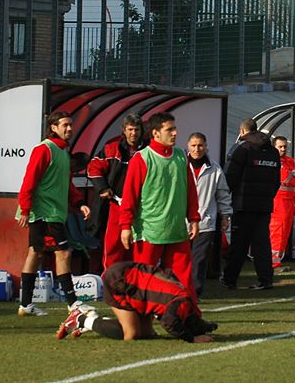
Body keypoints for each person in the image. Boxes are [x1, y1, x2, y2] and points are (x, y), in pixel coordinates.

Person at [119, 112, 201, 313]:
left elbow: (190, 188)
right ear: (155, 133)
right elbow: (130, 195)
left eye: (175, 128)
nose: (175, 133)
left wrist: (194, 218)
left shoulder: (181, 156)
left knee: (183, 278)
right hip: (149, 230)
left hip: (176, 230)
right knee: (143, 278)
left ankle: (189, 315)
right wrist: (125, 226)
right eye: (169, 130)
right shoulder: (142, 158)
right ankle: (137, 317)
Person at [16, 111, 91, 316]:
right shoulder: (44, 149)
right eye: (65, 125)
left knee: (35, 252)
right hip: (44, 212)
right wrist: (25, 208)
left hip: (52, 212)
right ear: (53, 128)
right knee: (63, 252)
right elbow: (29, 180)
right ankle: (73, 303)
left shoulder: (63, 152)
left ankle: (25, 305)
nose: (69, 128)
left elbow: (65, 184)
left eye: (70, 125)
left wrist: (80, 202)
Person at [56, 261, 217, 343]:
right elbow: (170, 323)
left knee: (146, 334)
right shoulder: (179, 303)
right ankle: (82, 319)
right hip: (119, 282)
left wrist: (204, 328)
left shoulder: (182, 298)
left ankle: (91, 320)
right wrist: (192, 338)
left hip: (136, 282)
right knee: (131, 334)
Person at [221, 118, 280, 290]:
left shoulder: (242, 148)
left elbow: (229, 177)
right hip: (264, 205)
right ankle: (266, 279)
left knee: (239, 243)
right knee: (262, 244)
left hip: (243, 204)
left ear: (242, 131)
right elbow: (276, 181)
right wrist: (267, 196)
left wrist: (226, 199)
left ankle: (230, 279)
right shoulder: (272, 151)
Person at [87, 113, 146, 270]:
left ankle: (136, 282)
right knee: (114, 245)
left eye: (137, 129)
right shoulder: (112, 148)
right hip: (117, 204)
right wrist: (103, 188)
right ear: (124, 130)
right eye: (130, 129)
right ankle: (111, 282)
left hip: (144, 207)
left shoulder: (149, 150)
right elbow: (93, 168)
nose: (134, 133)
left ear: (142, 130)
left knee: (140, 246)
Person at [187, 132, 232, 297]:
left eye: (200, 145)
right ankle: (179, 292)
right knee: (181, 260)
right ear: (188, 146)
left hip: (205, 222)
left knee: (199, 260)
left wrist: (226, 215)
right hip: (181, 222)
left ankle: (194, 293)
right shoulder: (179, 165)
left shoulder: (214, 168)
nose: (197, 149)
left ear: (206, 147)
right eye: (193, 145)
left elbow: (222, 194)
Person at [269, 136, 295, 269]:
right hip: (278, 199)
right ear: (274, 147)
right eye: (280, 146)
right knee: (278, 229)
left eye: (285, 146)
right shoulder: (272, 161)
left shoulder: (289, 161)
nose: (283, 149)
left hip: (289, 200)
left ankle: (276, 259)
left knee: (285, 230)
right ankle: (273, 261)